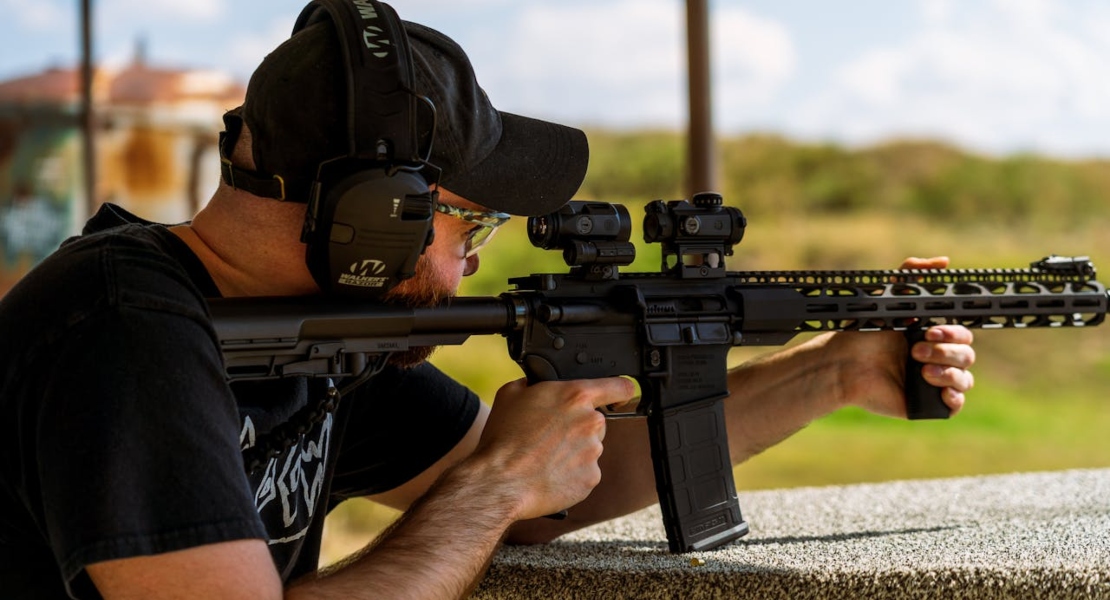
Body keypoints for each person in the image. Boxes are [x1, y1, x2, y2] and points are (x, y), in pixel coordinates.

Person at [0, 10, 976, 600]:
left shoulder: (310, 334)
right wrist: (495, 485)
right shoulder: (124, 335)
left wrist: (837, 369)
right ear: (373, 219)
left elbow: (560, 491)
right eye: (470, 224)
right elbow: (499, 489)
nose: (473, 260)